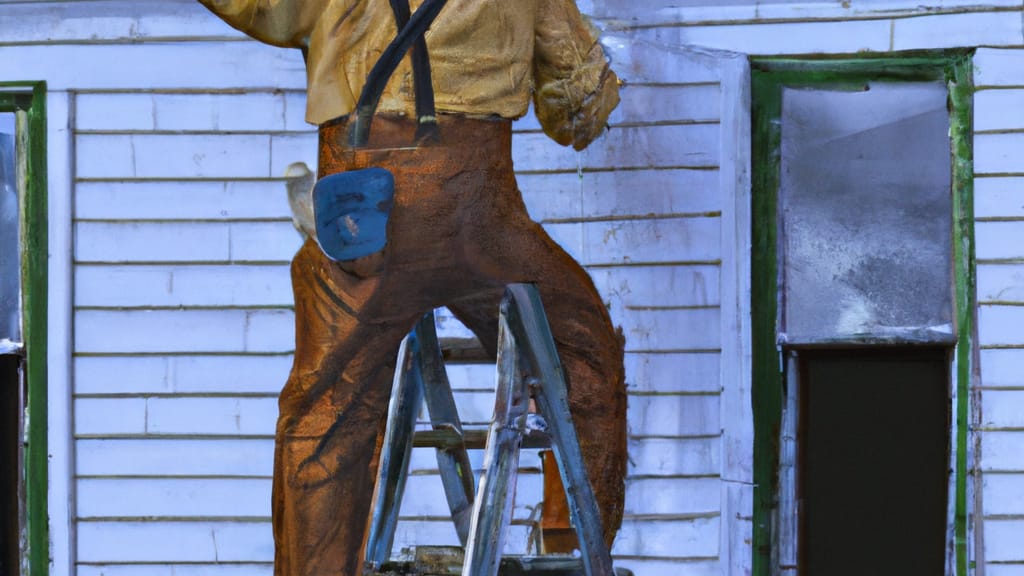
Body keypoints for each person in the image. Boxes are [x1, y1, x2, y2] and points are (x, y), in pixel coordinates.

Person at [199, 1, 626, 575]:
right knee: (581, 346)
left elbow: (263, 9)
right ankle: (566, 546)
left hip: (359, 214)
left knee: (325, 413)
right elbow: (579, 112)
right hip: (480, 219)